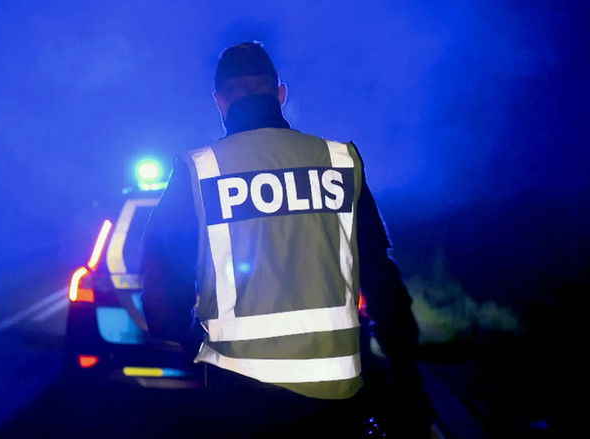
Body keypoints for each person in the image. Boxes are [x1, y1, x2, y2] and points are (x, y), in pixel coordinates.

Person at [141, 41, 434, 438]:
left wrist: (187, 337)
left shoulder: (199, 169)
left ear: (219, 101)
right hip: (336, 395)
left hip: (240, 398)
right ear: (280, 93)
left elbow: (160, 275)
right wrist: (408, 380)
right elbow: (381, 279)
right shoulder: (339, 161)